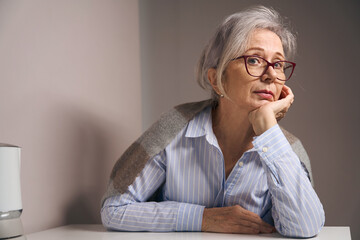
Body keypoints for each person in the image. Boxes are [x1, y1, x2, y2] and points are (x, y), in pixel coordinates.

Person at [101, 6, 325, 238]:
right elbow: (114, 209)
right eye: (255, 60)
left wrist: (268, 128)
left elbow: (305, 227)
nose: (270, 75)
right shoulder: (174, 129)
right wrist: (202, 218)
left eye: (278, 64)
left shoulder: (286, 149)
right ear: (216, 79)